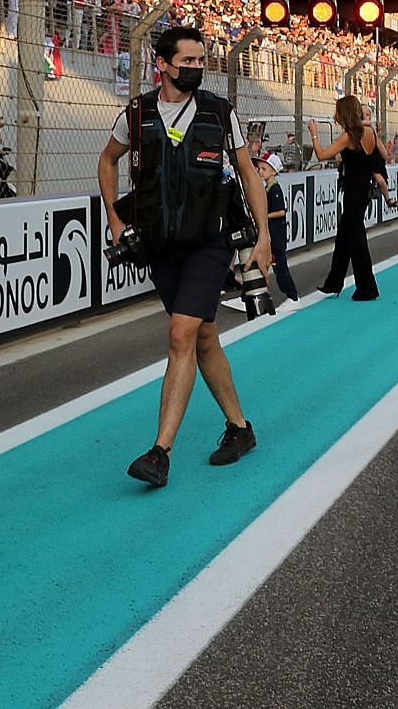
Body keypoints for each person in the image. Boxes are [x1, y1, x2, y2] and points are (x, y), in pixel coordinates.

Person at [99, 25, 272, 489]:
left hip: (208, 243)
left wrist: (264, 237)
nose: (196, 68)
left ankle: (160, 453)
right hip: (160, 245)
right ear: (162, 64)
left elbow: (249, 173)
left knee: (181, 334)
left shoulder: (219, 111)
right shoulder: (136, 114)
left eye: (201, 61)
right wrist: (116, 222)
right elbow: (107, 160)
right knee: (203, 337)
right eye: (187, 61)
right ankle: (240, 428)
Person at [310, 95, 398, 299]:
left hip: (353, 191)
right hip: (364, 189)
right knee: (344, 236)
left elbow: (323, 155)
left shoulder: (349, 136)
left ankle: (367, 288)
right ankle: (334, 282)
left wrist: (314, 134)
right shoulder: (369, 132)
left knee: (357, 240)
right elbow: (383, 156)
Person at [258, 152, 300, 302]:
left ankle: (292, 296)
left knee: (280, 267)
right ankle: (256, 294)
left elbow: (281, 211)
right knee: (261, 265)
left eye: (264, 169)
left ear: (274, 171)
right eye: (260, 169)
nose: (260, 172)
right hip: (270, 235)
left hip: (276, 236)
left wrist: (263, 216)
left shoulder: (275, 190)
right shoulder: (267, 188)